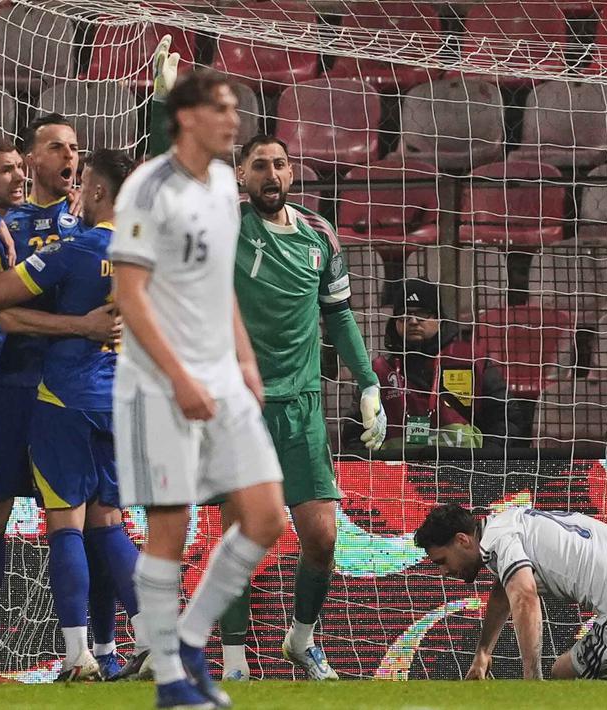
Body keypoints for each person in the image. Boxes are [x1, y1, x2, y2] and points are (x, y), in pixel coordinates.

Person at [0, 149, 143, 682]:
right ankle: (151, 641)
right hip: (113, 397)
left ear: (98, 191)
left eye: (82, 174)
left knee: (51, 525)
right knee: (103, 522)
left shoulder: (74, 245)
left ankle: (81, 653)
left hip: (60, 397)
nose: (73, 182)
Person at [110, 68, 287, 709]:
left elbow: (221, 289)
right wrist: (181, 377)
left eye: (237, 108)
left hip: (222, 376)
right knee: (170, 525)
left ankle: (187, 638)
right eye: (221, 108)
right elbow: (128, 296)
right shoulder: (145, 190)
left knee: (266, 516)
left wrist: (245, 362)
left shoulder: (221, 185)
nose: (234, 120)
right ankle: (167, 682)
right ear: (185, 117)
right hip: (157, 384)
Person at [210, 134, 387, 682]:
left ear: (293, 173)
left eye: (280, 164)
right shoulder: (225, 222)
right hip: (240, 406)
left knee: (322, 538)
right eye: (258, 164)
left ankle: (302, 640)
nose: (271, 173)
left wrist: (368, 383)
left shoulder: (319, 235)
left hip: (303, 408)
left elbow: (339, 316)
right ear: (240, 175)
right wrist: (164, 107)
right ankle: (235, 662)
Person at [413, 504, 607, 682]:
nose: (445, 572)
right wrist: (483, 652)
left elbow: (523, 596)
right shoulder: (507, 521)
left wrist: (532, 680)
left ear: (462, 540)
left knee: (563, 673)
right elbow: (503, 592)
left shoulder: (499, 541)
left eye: (443, 561)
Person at [348, 279, 518, 451]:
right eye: (404, 314)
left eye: (422, 313)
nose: (413, 321)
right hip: (395, 475)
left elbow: (506, 417)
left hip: (465, 472)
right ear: (395, 323)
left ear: (439, 318)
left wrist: (486, 459)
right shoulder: (379, 372)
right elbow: (354, 431)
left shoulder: (471, 361)